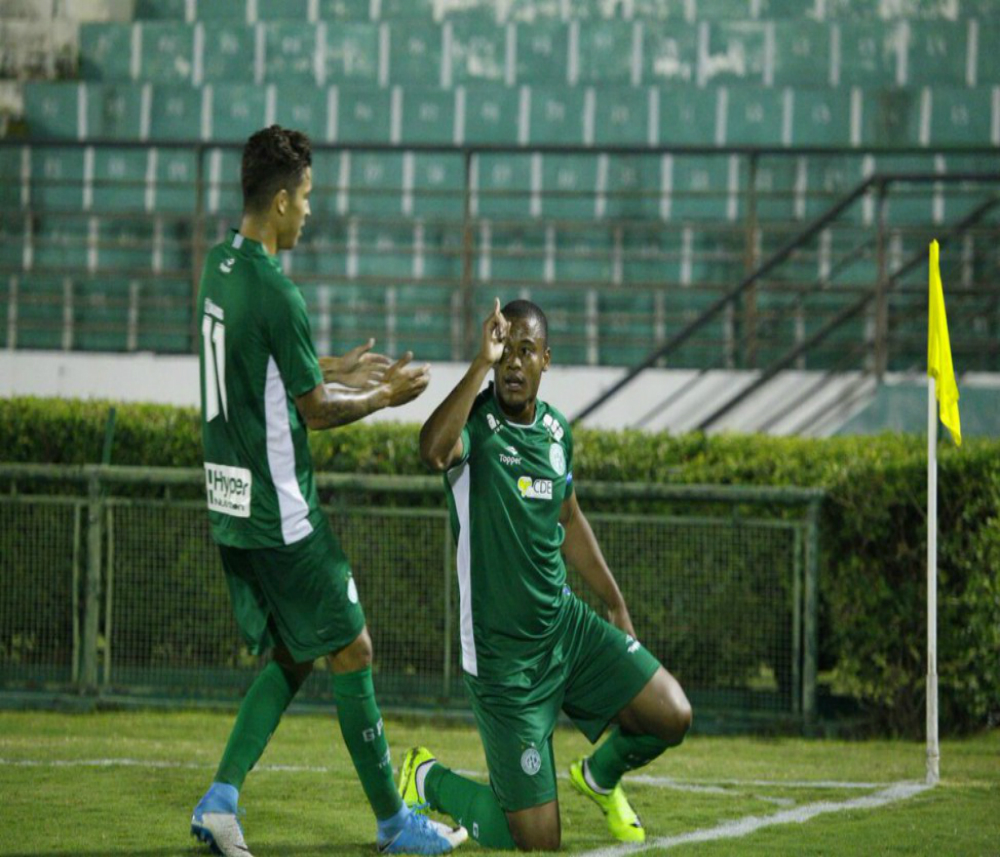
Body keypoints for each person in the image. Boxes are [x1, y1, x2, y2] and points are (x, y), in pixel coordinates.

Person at [190, 125, 466, 857]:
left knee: (293, 651)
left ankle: (220, 800)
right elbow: (311, 411)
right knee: (353, 647)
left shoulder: (220, 265)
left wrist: (335, 366)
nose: (311, 210)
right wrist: (384, 397)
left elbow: (260, 364)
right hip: (281, 511)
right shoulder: (279, 292)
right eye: (307, 196)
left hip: (229, 500)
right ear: (281, 200)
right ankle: (395, 825)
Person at [400, 299, 693, 851]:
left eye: (525, 351)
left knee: (672, 714)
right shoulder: (475, 426)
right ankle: (426, 778)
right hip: (504, 661)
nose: (513, 362)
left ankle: (599, 776)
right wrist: (478, 364)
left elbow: (569, 517)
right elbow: (433, 451)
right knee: (535, 843)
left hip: (565, 630)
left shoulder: (557, 431)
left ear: (546, 360)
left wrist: (615, 603)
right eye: (505, 350)